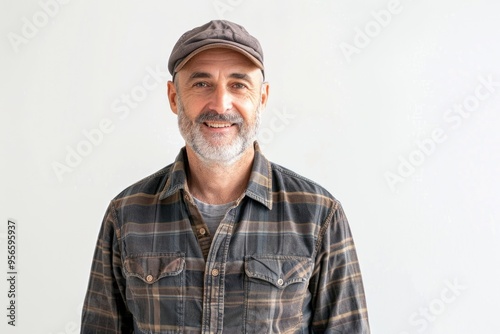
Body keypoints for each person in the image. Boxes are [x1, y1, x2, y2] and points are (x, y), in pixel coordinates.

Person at [81, 20, 370, 333]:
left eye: (239, 84)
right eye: (202, 84)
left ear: (262, 97)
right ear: (174, 97)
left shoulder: (319, 215)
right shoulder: (126, 215)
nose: (220, 104)